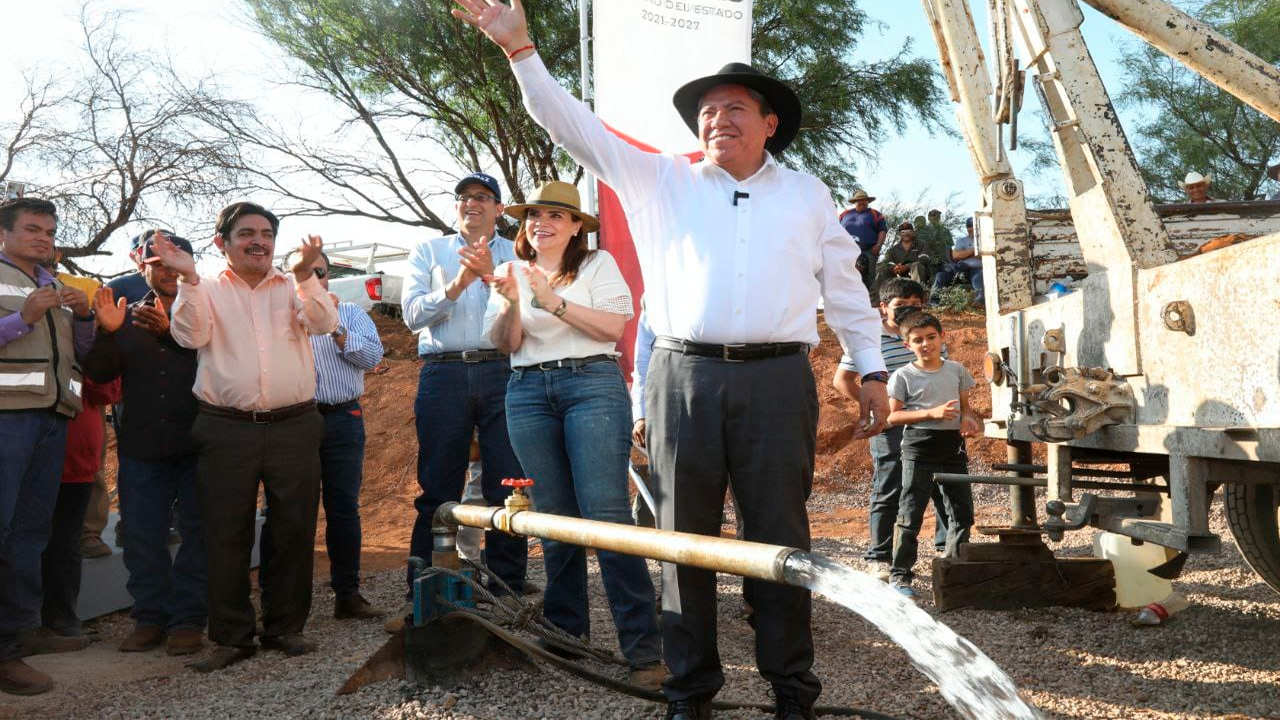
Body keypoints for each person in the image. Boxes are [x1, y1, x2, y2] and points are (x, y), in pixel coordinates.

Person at [452, 4, 889, 717]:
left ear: (769, 122)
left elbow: (845, 290)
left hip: (781, 380)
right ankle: (690, 693)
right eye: (708, 110)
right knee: (682, 539)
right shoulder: (661, 181)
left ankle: (792, 690)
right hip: (683, 378)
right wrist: (521, 50)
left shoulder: (809, 196)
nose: (718, 119)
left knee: (780, 533)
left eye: (735, 108)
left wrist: (869, 367)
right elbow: (572, 126)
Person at [485, 180, 665, 692]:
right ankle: (566, 635)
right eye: (534, 215)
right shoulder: (508, 272)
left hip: (591, 382)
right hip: (525, 387)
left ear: (575, 227)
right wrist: (512, 304)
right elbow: (506, 343)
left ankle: (643, 650)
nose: (542, 222)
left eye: (556, 216)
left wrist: (551, 300)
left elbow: (612, 330)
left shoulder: (596, 265)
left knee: (604, 512)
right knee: (553, 517)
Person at [155, 201, 338, 672]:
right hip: (225, 428)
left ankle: (285, 628)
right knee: (225, 532)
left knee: (293, 530)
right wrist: (189, 280)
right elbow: (189, 336)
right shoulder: (205, 288)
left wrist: (304, 276)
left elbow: (323, 324)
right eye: (246, 233)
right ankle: (233, 636)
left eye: (266, 233)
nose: (258, 240)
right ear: (223, 242)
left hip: (295, 425)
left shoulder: (296, 285)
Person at [394, 171, 529, 632]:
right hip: (443, 372)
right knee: (437, 486)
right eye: (464, 197)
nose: (472, 203)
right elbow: (412, 316)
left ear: (498, 209)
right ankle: (423, 590)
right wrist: (459, 282)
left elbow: (530, 314)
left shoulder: (517, 254)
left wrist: (491, 279)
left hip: (504, 371)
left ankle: (508, 591)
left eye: (483, 197)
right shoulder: (429, 252)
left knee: (508, 487)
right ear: (456, 208)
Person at [84, 232, 208, 656]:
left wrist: (172, 334)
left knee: (199, 535)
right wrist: (105, 333)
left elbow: (223, 364)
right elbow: (99, 375)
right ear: (142, 268)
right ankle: (149, 618)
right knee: (141, 536)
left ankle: (189, 620)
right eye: (159, 263)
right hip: (142, 447)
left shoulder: (210, 314)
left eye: (178, 261)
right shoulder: (124, 316)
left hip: (201, 445)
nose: (170, 270)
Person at [0, 197, 95, 695]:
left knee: (31, 534)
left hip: (52, 421)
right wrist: (22, 318)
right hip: (6, 421)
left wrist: (83, 318)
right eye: (33, 229)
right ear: (4, 234)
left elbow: (80, 355)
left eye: (50, 232)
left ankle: (17, 640)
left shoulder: (55, 284)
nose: (43, 238)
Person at [288, 247, 386, 619]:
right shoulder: (281, 318)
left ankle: (348, 594)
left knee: (344, 509)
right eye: (306, 274)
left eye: (321, 273)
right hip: (294, 422)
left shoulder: (351, 314)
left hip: (344, 418)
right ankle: (290, 605)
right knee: (293, 511)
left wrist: (336, 331)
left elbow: (373, 359)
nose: (315, 280)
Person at [832, 279, 950, 581]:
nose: (908, 311)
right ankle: (879, 557)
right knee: (889, 488)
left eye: (915, 305)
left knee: (940, 485)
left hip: (931, 422)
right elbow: (842, 380)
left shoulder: (926, 333)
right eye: (901, 306)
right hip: (892, 425)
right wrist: (876, 406)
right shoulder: (868, 339)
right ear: (883, 307)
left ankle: (946, 549)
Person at [885, 312, 980, 599]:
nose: (925, 344)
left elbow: (966, 408)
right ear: (907, 345)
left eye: (931, 337)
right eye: (917, 340)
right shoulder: (903, 376)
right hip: (918, 447)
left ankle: (951, 569)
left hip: (953, 447)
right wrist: (931, 413)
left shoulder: (957, 370)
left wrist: (968, 420)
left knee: (961, 513)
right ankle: (900, 576)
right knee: (910, 514)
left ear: (942, 338)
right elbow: (893, 416)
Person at [38, 375, 119, 647]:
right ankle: (51, 622)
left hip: (72, 451)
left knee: (62, 539)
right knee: (57, 540)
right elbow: (107, 390)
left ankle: (59, 621)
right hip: (60, 449)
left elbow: (109, 390)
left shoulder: (88, 340)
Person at [838, 190, 886, 288]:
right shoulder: (844, 214)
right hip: (846, 251)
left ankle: (869, 299)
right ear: (855, 201)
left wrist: (878, 245)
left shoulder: (875, 214)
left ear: (868, 201)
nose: (862, 202)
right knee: (845, 275)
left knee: (869, 276)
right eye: (859, 200)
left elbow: (882, 231)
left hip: (868, 250)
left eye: (864, 200)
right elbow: (836, 230)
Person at [932, 217, 983, 305]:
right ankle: (933, 302)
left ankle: (980, 302)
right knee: (940, 275)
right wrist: (975, 250)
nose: (971, 229)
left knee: (978, 278)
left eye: (974, 226)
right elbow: (956, 256)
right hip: (961, 268)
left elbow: (983, 255)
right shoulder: (961, 240)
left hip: (976, 269)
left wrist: (964, 253)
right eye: (969, 226)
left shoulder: (986, 239)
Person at [875, 222, 933, 292]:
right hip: (899, 274)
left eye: (909, 231)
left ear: (913, 232)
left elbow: (925, 259)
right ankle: (876, 298)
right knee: (882, 271)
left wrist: (907, 267)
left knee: (917, 266)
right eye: (903, 232)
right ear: (899, 234)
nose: (906, 234)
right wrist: (895, 268)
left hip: (915, 272)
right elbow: (890, 263)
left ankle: (917, 294)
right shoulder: (894, 248)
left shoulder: (922, 244)